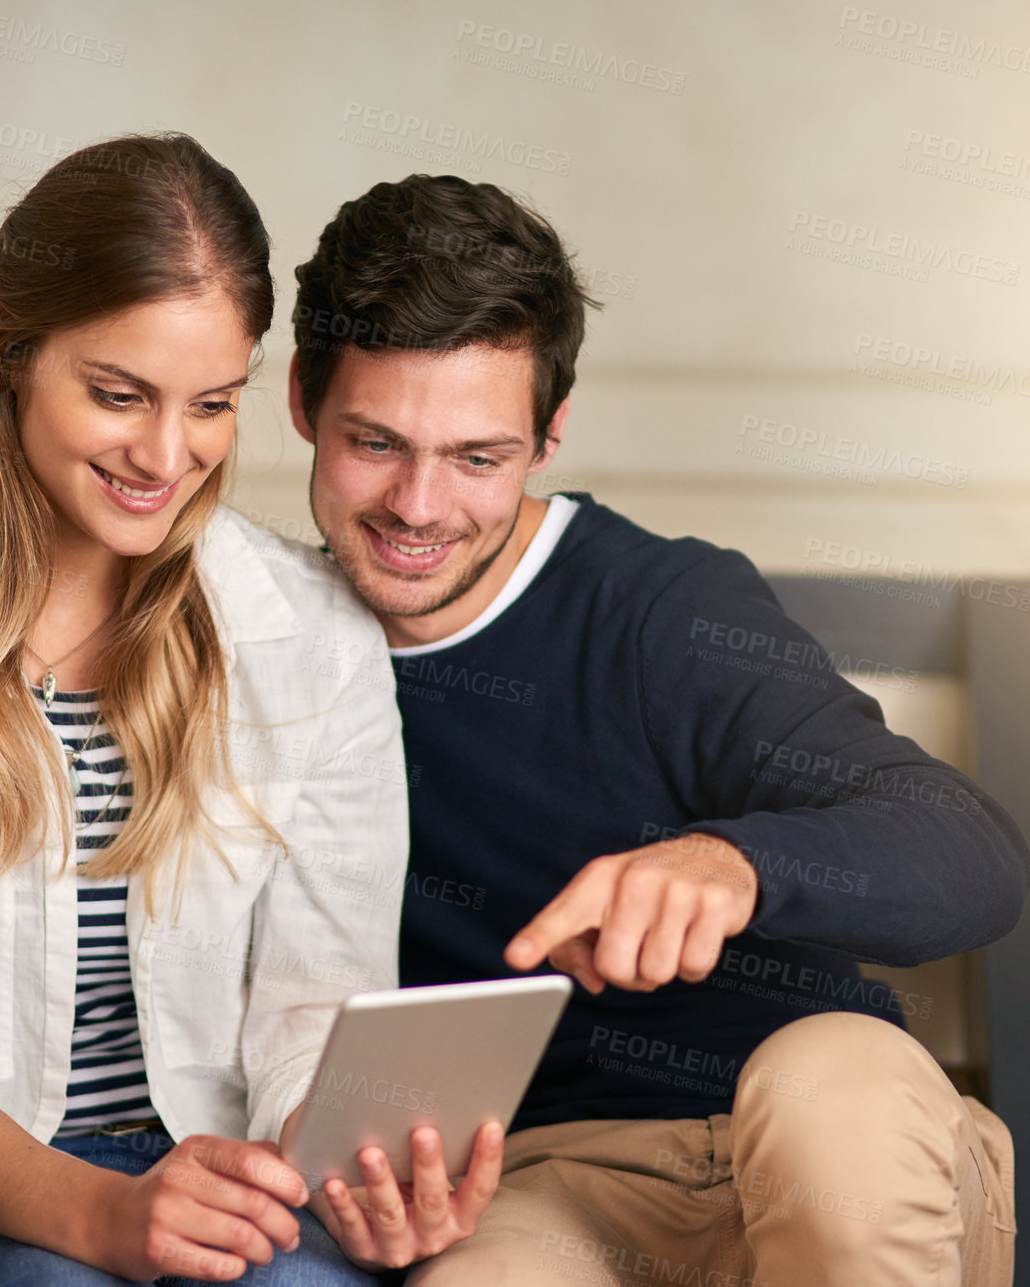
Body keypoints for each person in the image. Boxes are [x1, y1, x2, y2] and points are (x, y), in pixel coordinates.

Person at [285, 173, 1029, 1285]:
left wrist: (733, 864)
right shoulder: (255, 647)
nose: (420, 506)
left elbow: (971, 852)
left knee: (830, 1102)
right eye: (376, 441)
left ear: (550, 434)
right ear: (302, 399)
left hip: (825, 1127)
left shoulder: (663, 612)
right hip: (556, 1185)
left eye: (478, 457)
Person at [0, 133, 498, 1287]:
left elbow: (317, 999)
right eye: (119, 394)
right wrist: (103, 1214)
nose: (169, 455)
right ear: (4, 344)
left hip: (224, 1175)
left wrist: (352, 1164)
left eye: (212, 403)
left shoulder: (312, 638)